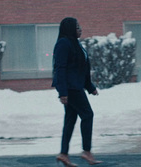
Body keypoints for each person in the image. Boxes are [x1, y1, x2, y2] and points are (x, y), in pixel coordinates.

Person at [52, 17, 102, 167]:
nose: (80, 29)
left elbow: (81, 68)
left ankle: (64, 154)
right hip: (71, 88)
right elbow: (59, 68)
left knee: (70, 120)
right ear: (69, 29)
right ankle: (86, 151)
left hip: (76, 86)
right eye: (77, 27)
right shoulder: (63, 44)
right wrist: (62, 92)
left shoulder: (76, 44)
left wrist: (90, 86)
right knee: (88, 114)